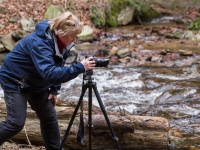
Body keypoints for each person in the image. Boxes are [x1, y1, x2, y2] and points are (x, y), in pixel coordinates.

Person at [0, 11, 95, 149]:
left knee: (49, 118)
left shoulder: (63, 43)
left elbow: (59, 64)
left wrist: (55, 89)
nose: (74, 40)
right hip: (14, 79)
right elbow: (50, 73)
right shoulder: (40, 43)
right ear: (61, 34)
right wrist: (80, 67)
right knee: (16, 122)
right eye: (72, 37)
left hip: (36, 81)